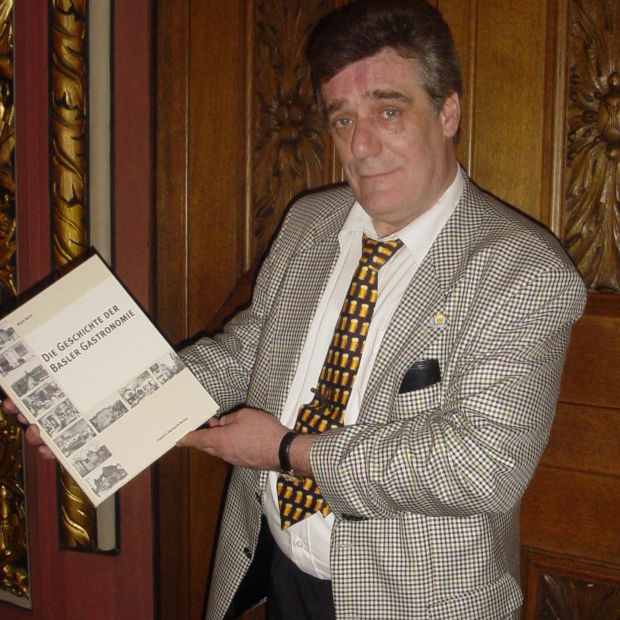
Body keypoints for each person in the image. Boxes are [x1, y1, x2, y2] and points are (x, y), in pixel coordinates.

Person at [6, 1, 586, 618]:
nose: (361, 145)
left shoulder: (523, 269)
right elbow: (246, 353)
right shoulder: (311, 222)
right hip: (284, 575)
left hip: (415, 601)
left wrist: (287, 453)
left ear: (448, 112)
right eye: (343, 120)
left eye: (389, 111)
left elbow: (482, 466)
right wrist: (106, 404)